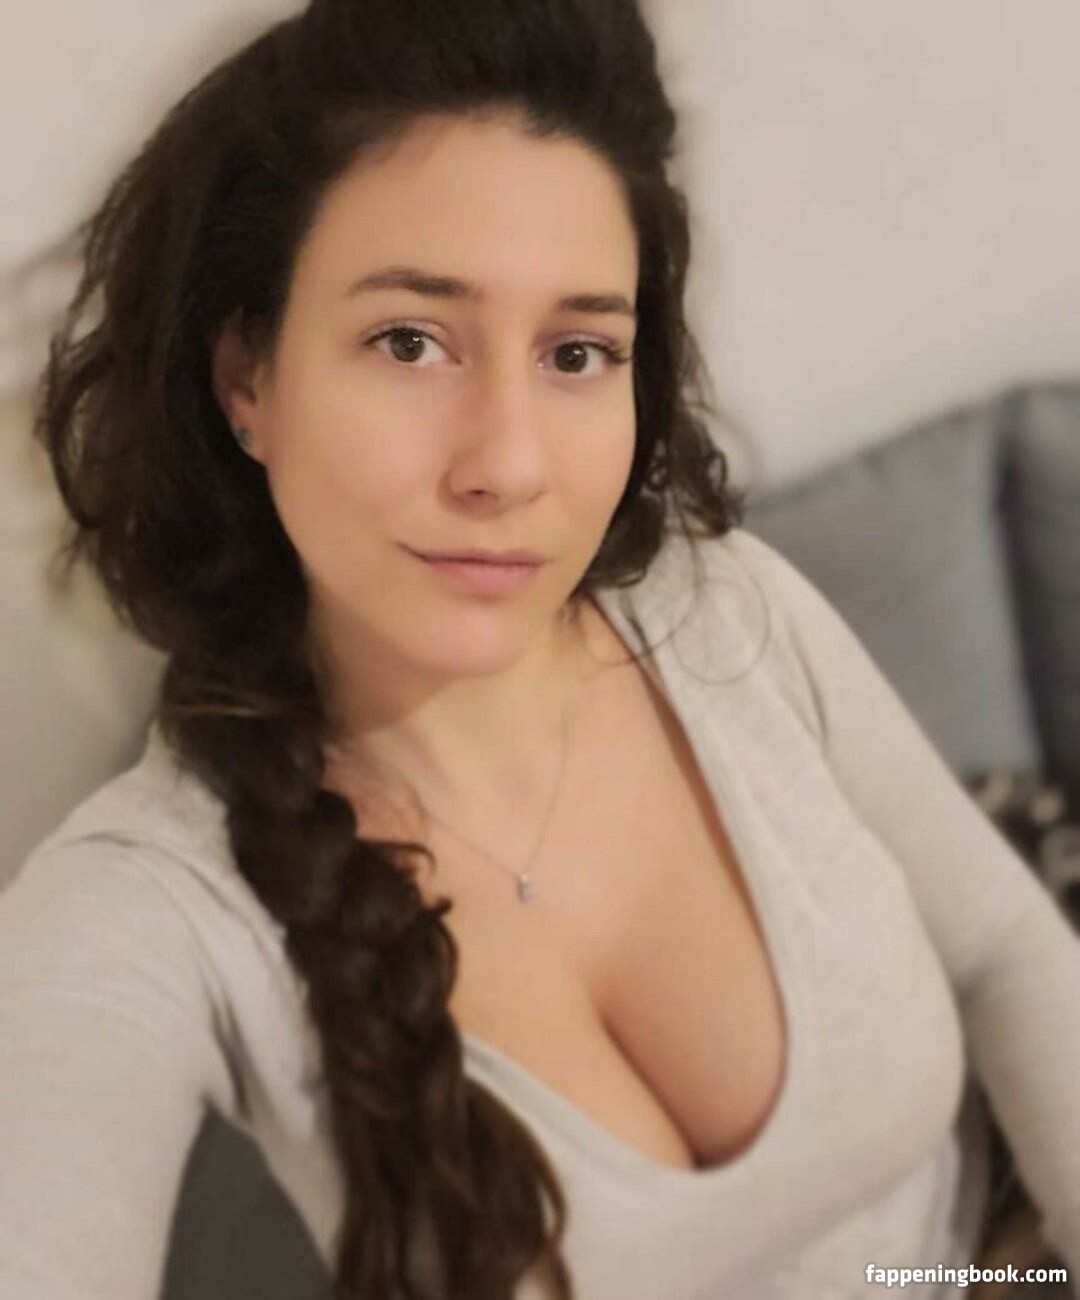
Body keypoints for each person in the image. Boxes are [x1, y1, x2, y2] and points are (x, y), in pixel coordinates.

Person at [1, 2, 1078, 1297]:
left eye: (577, 352)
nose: (508, 463)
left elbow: (1002, 949)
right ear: (247, 378)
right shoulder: (152, 905)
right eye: (410, 341)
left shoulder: (719, 609)